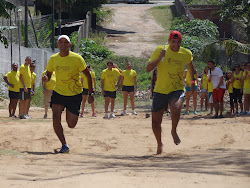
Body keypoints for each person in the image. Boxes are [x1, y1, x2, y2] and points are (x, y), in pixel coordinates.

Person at [42, 35, 94, 153]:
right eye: (61, 42)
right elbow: (49, 74)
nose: (63, 44)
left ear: (70, 45)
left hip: (74, 94)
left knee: (71, 124)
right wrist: (46, 77)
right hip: (59, 92)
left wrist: (91, 93)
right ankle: (64, 145)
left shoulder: (77, 58)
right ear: (57, 45)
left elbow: (88, 75)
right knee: (55, 117)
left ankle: (70, 118)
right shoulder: (53, 59)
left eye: (66, 42)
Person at [146, 31, 195, 155]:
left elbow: (191, 68)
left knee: (175, 106)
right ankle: (159, 143)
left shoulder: (186, 53)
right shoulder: (160, 50)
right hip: (160, 90)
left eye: (178, 42)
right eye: (173, 42)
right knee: (156, 123)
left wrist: (193, 83)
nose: (176, 45)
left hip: (177, 88)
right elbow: (148, 69)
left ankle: (173, 131)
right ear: (169, 41)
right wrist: (159, 58)